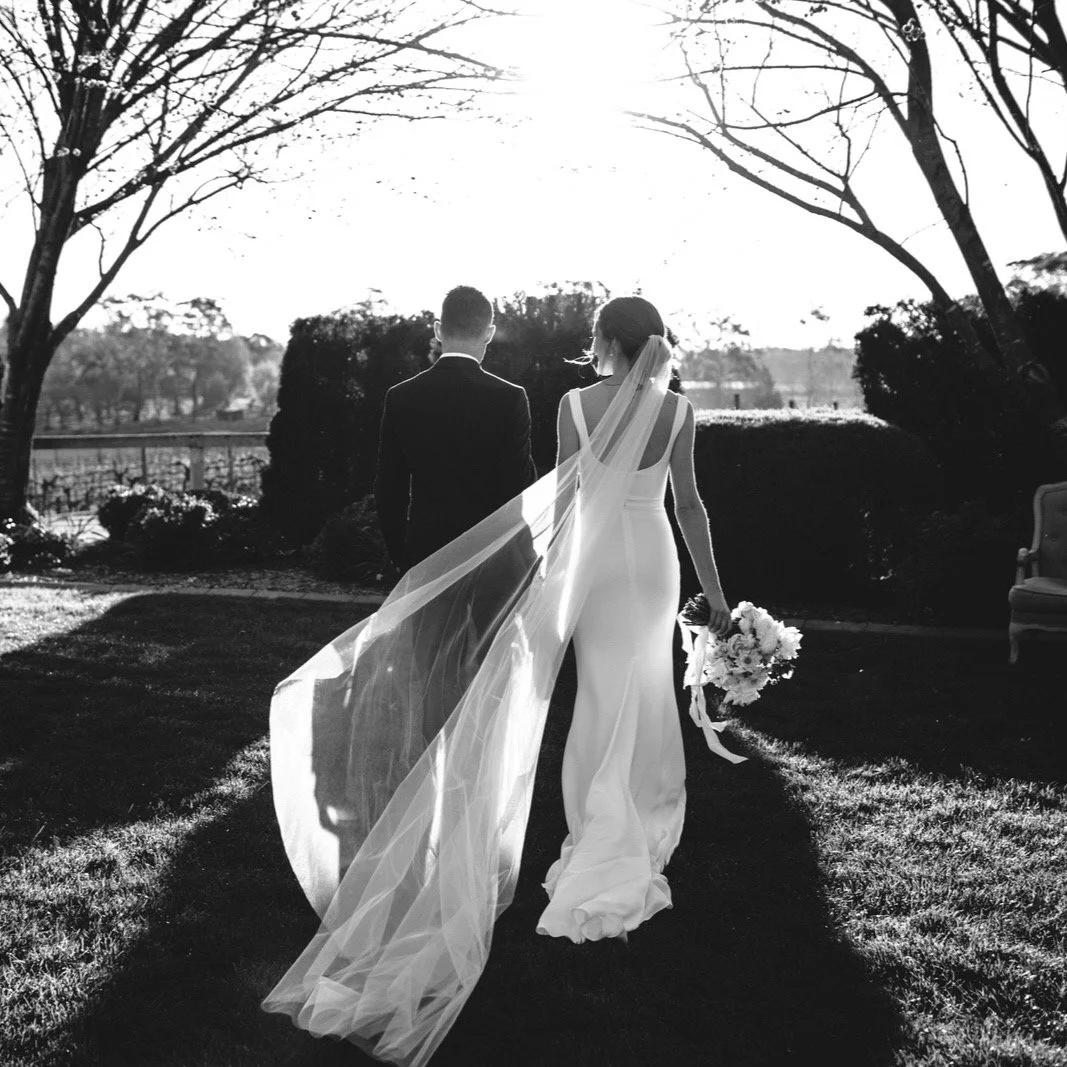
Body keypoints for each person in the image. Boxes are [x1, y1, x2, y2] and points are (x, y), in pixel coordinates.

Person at [261, 296, 734, 1066]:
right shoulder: (678, 411)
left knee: (591, 696)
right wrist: (714, 595)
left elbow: (560, 498)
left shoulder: (572, 406)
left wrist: (541, 578)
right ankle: (631, 828)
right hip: (652, 563)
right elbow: (689, 503)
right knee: (641, 690)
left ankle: (590, 827)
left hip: (590, 567)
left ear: (606, 341)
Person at [374, 284, 538, 574]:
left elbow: (389, 487)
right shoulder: (511, 398)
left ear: (438, 330)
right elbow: (517, 486)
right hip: (490, 556)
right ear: (489, 333)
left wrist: (401, 555)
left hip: (426, 554)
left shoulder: (401, 396)